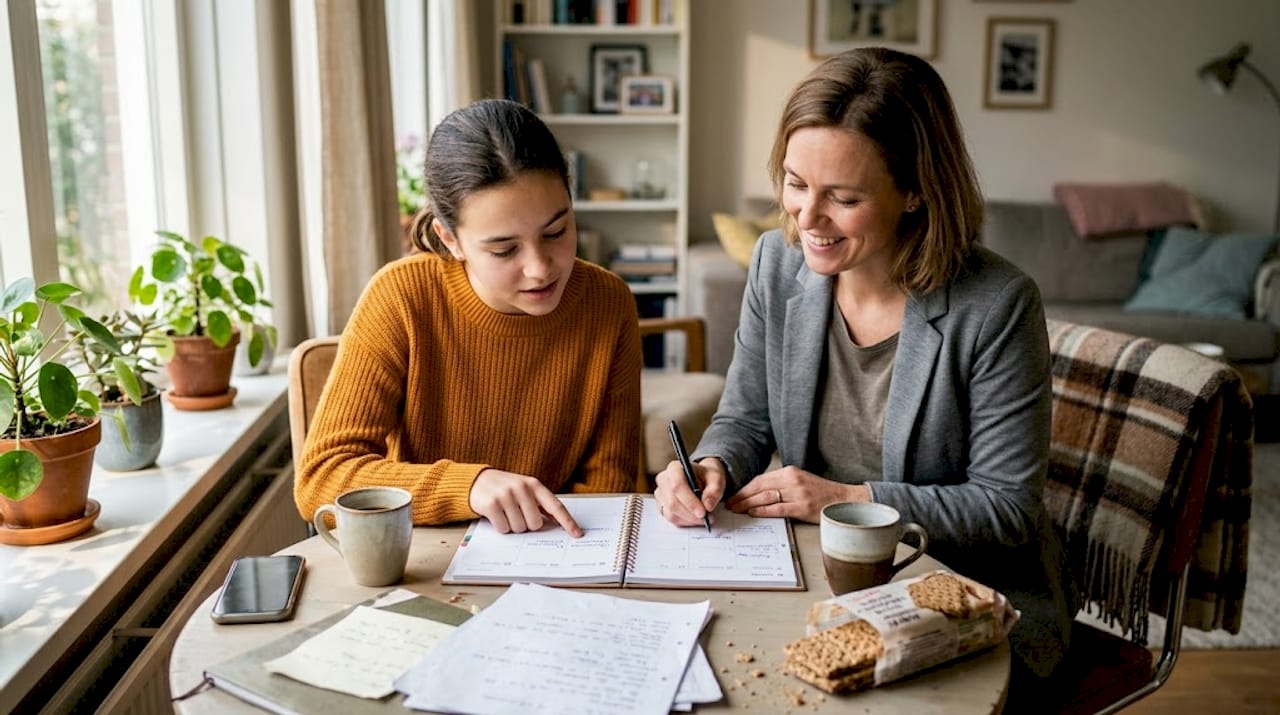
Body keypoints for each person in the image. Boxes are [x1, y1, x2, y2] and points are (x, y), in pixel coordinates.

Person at [653, 48, 1075, 701]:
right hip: (824, 582)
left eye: (842, 198)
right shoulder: (776, 263)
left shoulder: (998, 305)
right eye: (794, 183)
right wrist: (710, 465)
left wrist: (847, 500)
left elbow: (1007, 506)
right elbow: (745, 416)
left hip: (964, 597)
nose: (805, 218)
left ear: (914, 191)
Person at [296, 99, 642, 537]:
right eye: (503, 249)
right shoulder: (402, 297)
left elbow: (609, 486)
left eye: (556, 231)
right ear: (450, 238)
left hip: (558, 559)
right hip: (425, 562)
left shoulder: (608, 303)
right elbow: (322, 477)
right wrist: (469, 485)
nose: (540, 267)